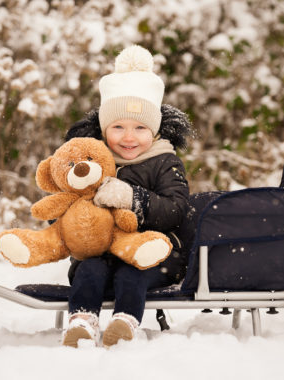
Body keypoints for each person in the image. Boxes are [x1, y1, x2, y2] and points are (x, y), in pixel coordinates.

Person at [61, 45, 192, 348]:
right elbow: (65, 204)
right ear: (104, 130)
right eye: (118, 127)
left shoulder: (165, 161)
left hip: (153, 254)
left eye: (140, 127)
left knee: (133, 271)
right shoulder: (90, 163)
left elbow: (176, 209)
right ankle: (81, 321)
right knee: (88, 270)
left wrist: (134, 198)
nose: (128, 137)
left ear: (155, 130)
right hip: (100, 252)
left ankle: (124, 322)